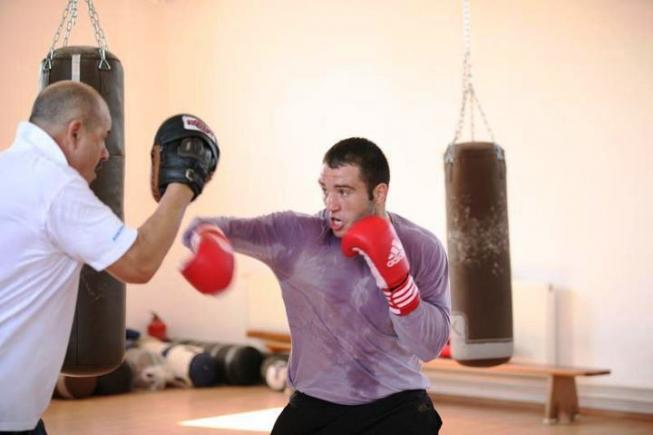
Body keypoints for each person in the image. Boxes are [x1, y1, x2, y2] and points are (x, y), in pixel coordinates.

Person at [183, 137, 450, 434]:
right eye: (326, 190)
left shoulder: (421, 247)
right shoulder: (297, 236)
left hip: (397, 407)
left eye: (344, 192)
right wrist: (206, 241)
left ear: (379, 193)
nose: (331, 204)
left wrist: (398, 285)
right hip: (315, 405)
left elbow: (429, 347)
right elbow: (203, 227)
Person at [0, 81, 219, 434]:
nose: (105, 153)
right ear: (75, 132)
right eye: (102, 137)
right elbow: (139, 262)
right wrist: (184, 181)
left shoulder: (7, 168)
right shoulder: (54, 185)